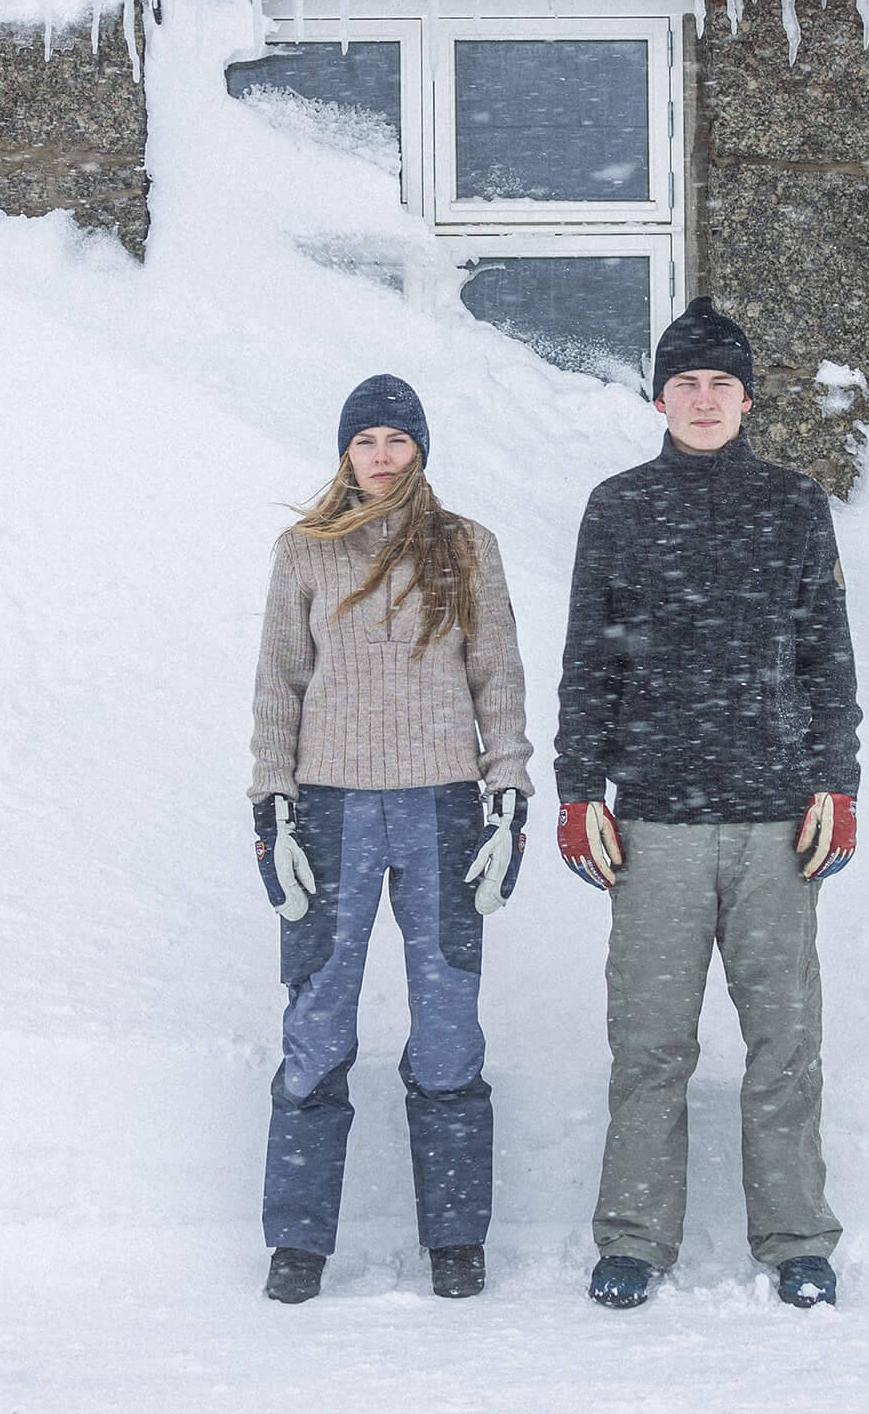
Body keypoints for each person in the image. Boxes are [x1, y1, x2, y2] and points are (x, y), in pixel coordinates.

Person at [554, 298, 862, 1311]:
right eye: (683, 382)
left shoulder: (790, 504)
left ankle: (796, 1236)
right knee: (649, 1043)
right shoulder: (619, 506)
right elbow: (586, 665)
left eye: (719, 382)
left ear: (745, 398)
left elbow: (824, 655)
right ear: (657, 396)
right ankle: (635, 1237)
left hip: (776, 821)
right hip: (655, 825)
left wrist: (835, 782)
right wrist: (575, 788)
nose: (701, 398)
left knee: (784, 1040)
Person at [249, 373, 534, 1305]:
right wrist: (273, 804)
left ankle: (455, 1238)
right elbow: (279, 686)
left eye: (396, 440)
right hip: (331, 811)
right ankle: (298, 1244)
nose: (381, 455)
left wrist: (509, 793)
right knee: (319, 1021)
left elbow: (497, 677)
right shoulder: (304, 552)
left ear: (420, 449)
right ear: (345, 452)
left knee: (448, 1024)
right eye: (364, 440)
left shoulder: (465, 548)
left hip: (444, 807)